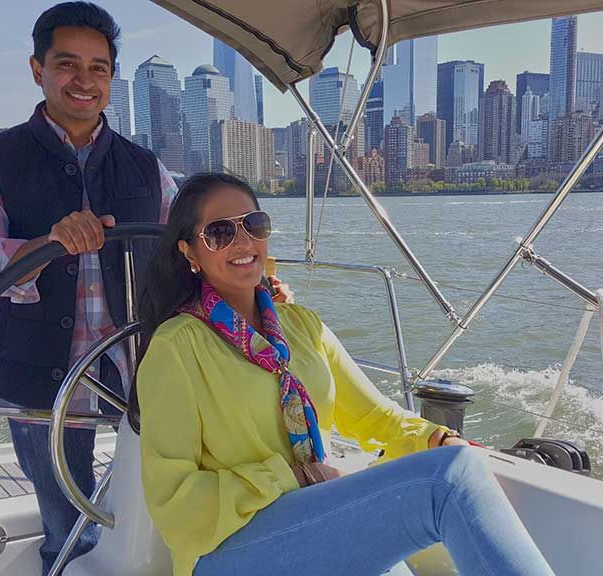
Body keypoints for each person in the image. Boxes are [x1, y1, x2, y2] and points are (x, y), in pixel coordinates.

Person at [0, 4, 291, 574]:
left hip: (135, 376)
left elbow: (196, 249)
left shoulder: (144, 168)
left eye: (98, 68)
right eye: (67, 65)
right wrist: (43, 245)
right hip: (35, 382)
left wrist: (259, 285)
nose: (84, 81)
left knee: (146, 513)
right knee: (69, 527)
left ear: (112, 77)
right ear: (38, 70)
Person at [136, 173, 556, 576]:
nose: (244, 241)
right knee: (447, 478)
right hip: (227, 551)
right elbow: (173, 504)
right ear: (190, 253)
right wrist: (291, 476)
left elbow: (373, 417)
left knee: (446, 471)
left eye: (254, 225)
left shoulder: (302, 327)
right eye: (221, 233)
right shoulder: (176, 349)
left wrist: (436, 437)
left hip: (312, 519)